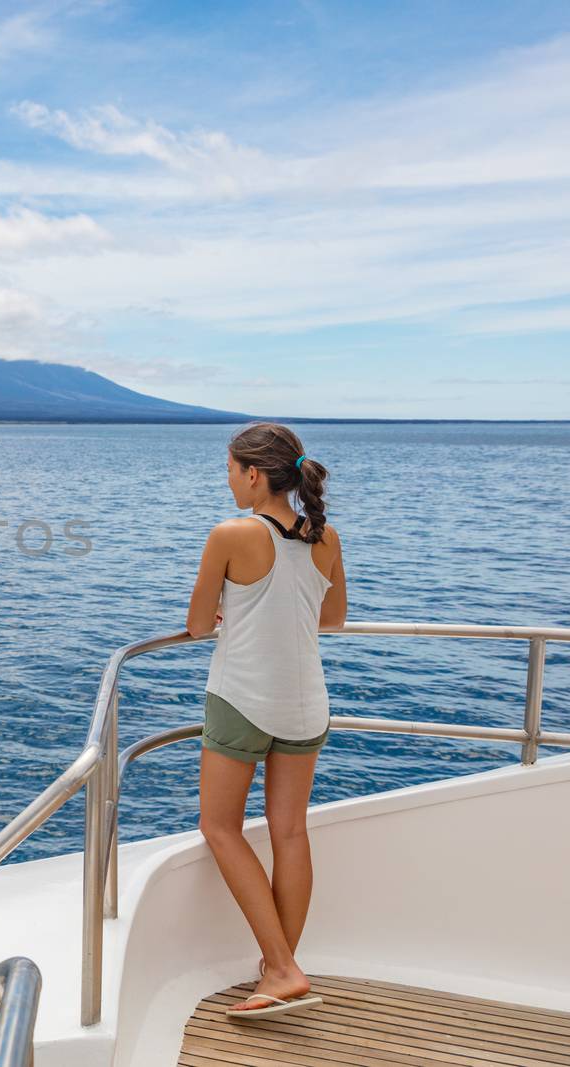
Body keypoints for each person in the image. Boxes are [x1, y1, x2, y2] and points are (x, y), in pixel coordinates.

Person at [184, 421, 347, 1020]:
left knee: (220, 826)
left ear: (253, 474)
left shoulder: (232, 534)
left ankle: (281, 969)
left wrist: (235, 611)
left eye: (230, 470)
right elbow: (333, 618)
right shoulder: (324, 537)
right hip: (307, 704)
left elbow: (199, 625)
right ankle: (280, 966)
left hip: (243, 699)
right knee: (290, 832)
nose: (228, 482)